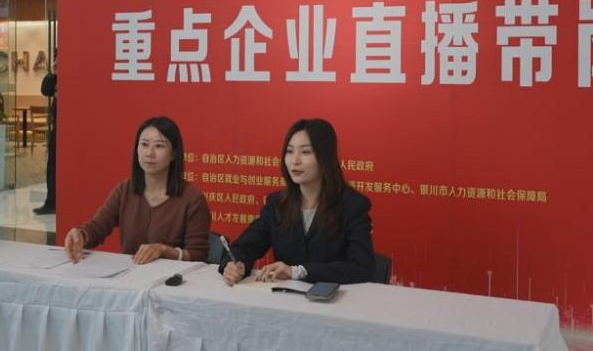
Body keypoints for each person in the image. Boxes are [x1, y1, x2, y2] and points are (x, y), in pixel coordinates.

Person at [219, 118, 375, 284]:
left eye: (305, 152)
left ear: (325, 157)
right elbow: (244, 246)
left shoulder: (352, 205)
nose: (295, 160)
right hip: (285, 297)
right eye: (289, 151)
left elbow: (362, 267)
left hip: (334, 297)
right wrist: (235, 265)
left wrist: (297, 272)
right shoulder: (277, 204)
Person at [63, 116, 211, 264]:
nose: (149, 153)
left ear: (174, 153)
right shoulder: (124, 190)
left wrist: (164, 250)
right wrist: (81, 235)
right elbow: (98, 227)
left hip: (173, 277)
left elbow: (198, 254)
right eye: (144, 144)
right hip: (130, 274)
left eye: (159, 146)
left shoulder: (192, 198)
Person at [34, 51, 57, 215]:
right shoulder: (55, 75)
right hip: (58, 127)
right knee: (52, 164)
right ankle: (51, 201)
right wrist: (54, 73)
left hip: (74, 128)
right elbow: (45, 90)